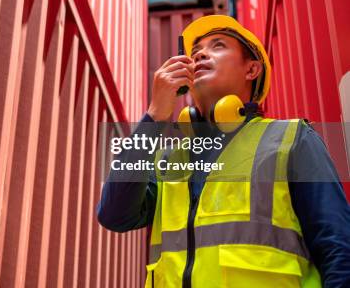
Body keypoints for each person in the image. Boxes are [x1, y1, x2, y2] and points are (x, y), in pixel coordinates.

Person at [97, 15, 350, 287]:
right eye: (195, 52)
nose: (201, 54)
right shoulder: (168, 159)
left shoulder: (291, 139)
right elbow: (114, 214)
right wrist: (154, 115)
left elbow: (337, 247)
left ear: (251, 69)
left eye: (218, 45)